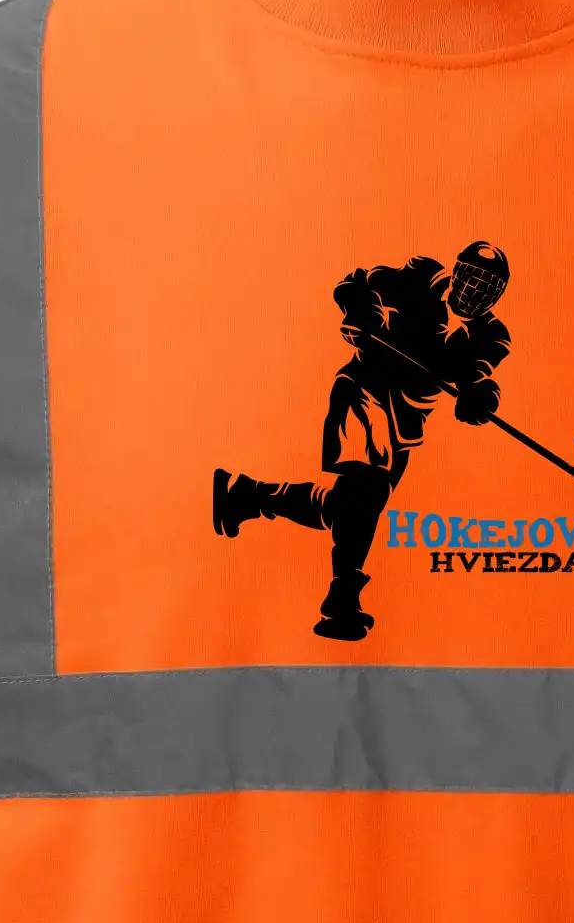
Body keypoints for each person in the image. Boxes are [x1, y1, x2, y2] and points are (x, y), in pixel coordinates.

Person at [213, 241, 511, 639]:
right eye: (471, 277)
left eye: (487, 285)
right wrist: (363, 311)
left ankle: (248, 495)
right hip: (365, 388)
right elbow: (354, 283)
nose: (474, 290)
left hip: (406, 424)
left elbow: (477, 372)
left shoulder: (493, 334)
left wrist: (481, 396)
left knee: (347, 509)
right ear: (456, 271)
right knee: (366, 493)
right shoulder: (422, 278)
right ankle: (342, 601)